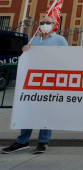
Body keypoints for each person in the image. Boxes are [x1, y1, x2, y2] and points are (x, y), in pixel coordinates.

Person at [1, 16, 68, 154]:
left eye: (47, 22)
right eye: (42, 23)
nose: (44, 25)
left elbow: (67, 58)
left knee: (46, 111)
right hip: (32, 81)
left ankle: (43, 142)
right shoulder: (34, 40)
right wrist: (24, 51)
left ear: (54, 25)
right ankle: (22, 141)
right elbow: (25, 60)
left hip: (50, 81)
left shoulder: (60, 40)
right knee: (28, 109)